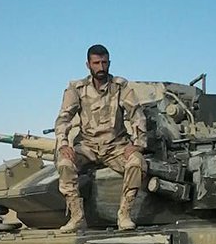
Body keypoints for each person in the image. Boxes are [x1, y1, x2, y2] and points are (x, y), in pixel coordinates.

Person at [54, 44, 147, 232]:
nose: (101, 67)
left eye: (104, 62)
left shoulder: (121, 87)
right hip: (87, 147)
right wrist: (63, 144)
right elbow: (63, 119)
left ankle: (124, 214)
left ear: (109, 63)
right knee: (64, 163)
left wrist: (138, 144)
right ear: (88, 65)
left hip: (116, 146)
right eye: (96, 63)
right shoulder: (77, 89)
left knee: (137, 162)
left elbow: (137, 115)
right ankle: (77, 216)